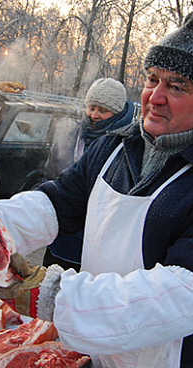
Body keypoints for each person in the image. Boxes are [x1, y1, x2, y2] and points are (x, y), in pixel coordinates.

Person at [0, 7, 193, 368]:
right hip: (89, 349)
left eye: (176, 86)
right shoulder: (115, 148)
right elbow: (56, 203)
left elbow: (187, 292)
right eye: (152, 79)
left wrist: (57, 296)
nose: (154, 97)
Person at [43, 77, 135, 270]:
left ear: (118, 112)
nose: (94, 115)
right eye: (91, 107)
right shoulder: (71, 135)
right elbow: (50, 172)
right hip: (59, 237)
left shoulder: (127, 145)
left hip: (95, 244)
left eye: (102, 110)